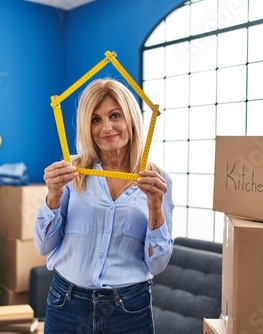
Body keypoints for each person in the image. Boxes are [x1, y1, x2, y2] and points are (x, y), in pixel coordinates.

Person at [35, 78, 174, 334]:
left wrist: (156, 207)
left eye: (114, 115)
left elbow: (156, 265)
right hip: (67, 303)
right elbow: (44, 246)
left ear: (130, 118)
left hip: (130, 310)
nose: (106, 127)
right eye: (95, 119)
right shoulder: (72, 172)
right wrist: (53, 195)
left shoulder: (156, 180)